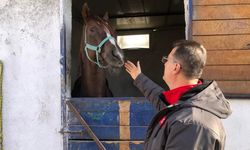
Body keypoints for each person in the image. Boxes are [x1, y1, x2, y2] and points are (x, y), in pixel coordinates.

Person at [124, 40, 232, 150]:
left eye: (166, 60)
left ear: (175, 67)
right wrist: (139, 78)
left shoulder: (190, 124)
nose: (164, 63)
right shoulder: (188, 102)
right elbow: (161, 99)